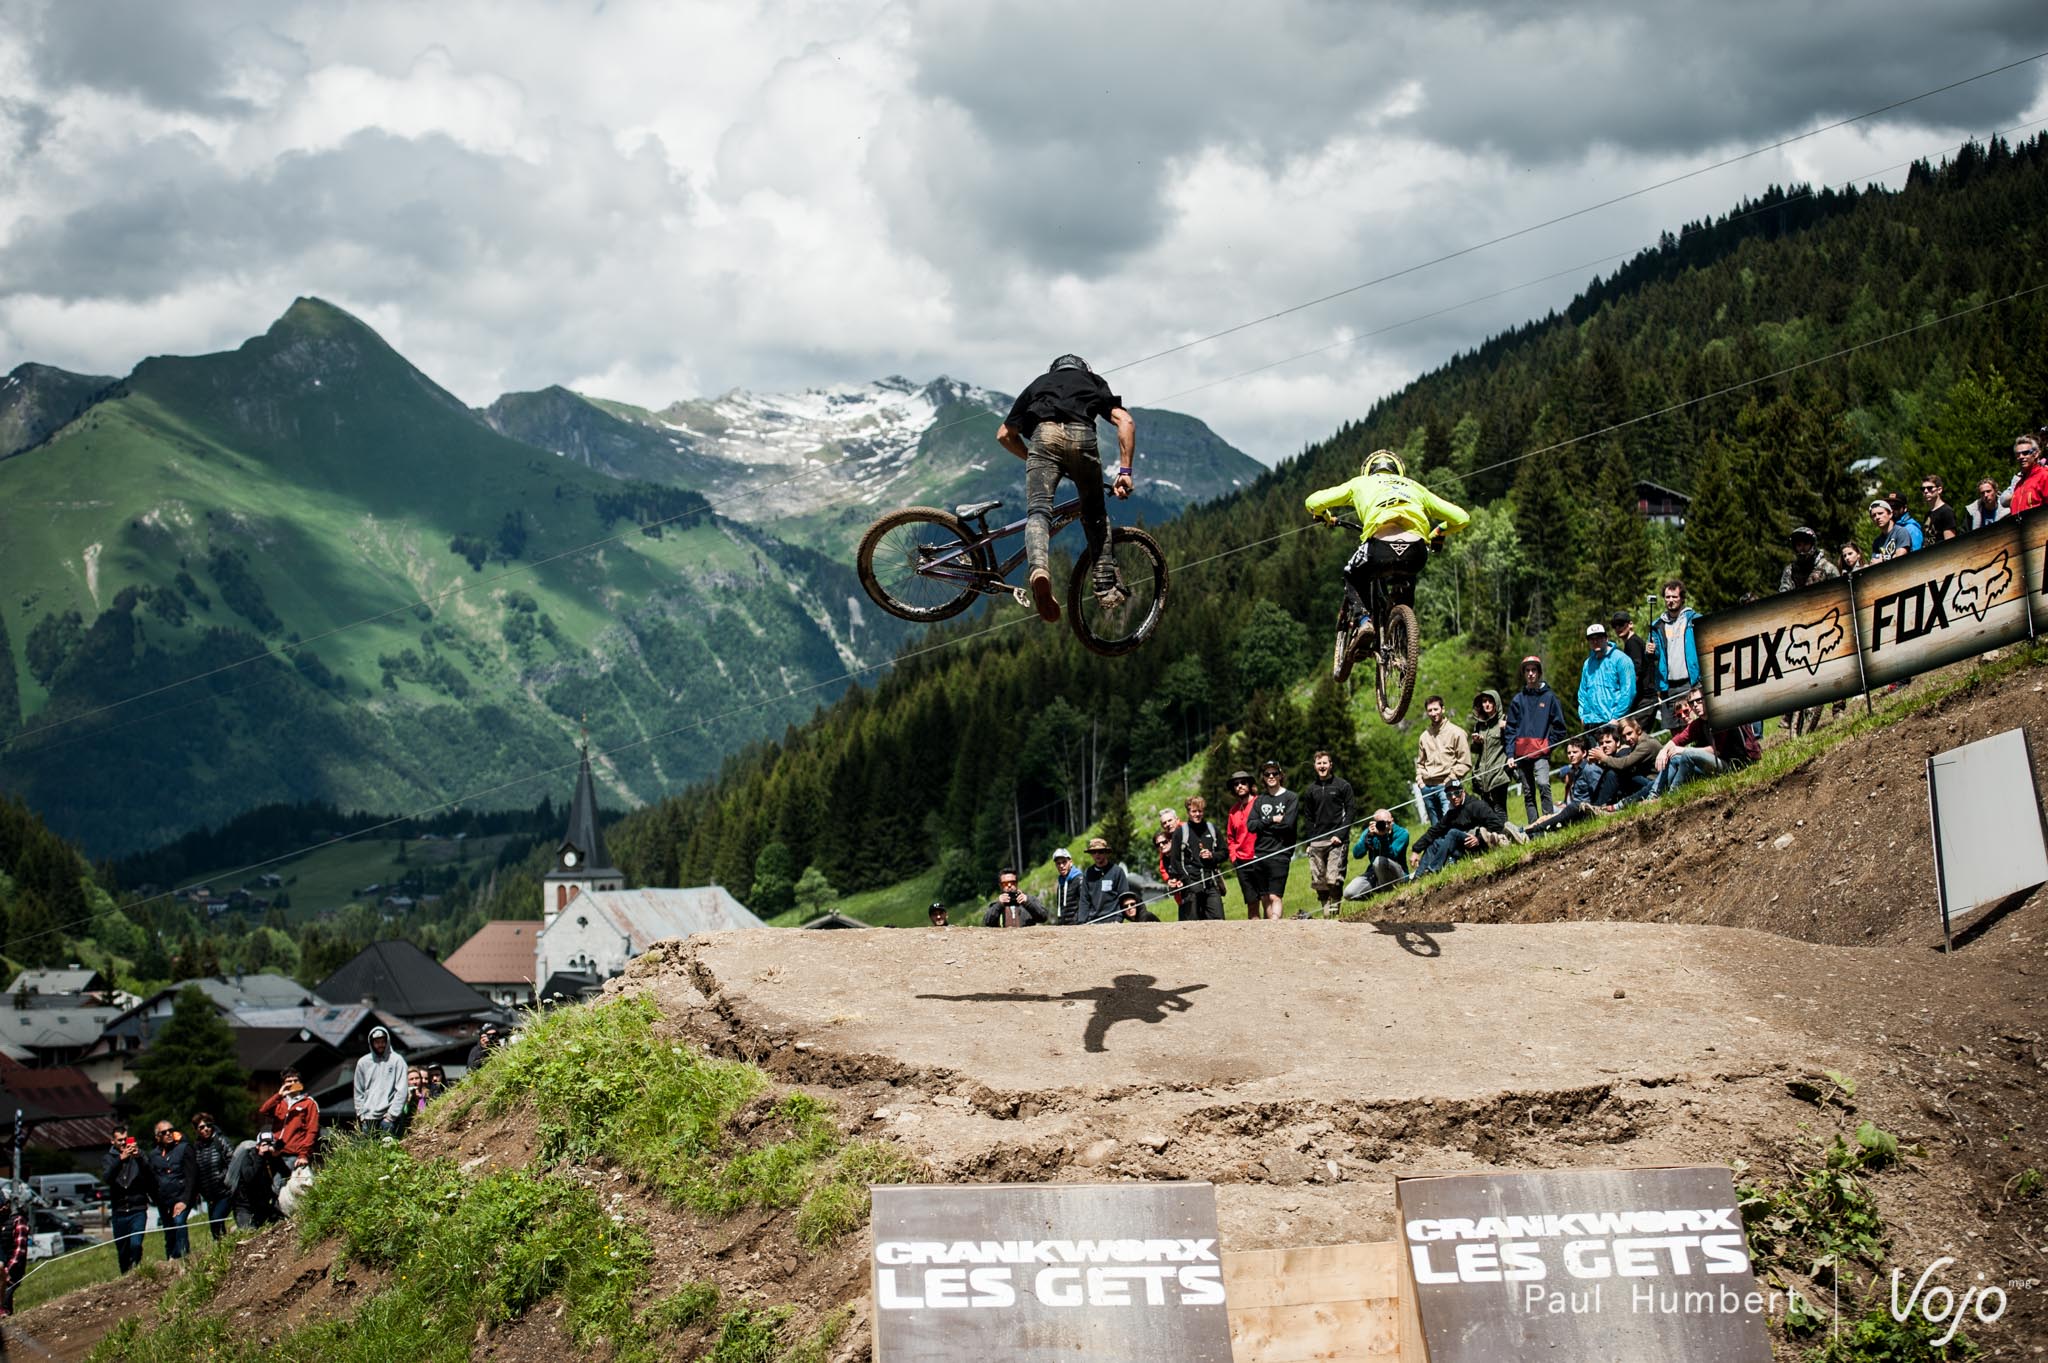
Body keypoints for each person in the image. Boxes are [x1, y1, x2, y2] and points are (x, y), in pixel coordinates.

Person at [995, 355, 1137, 622]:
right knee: (1094, 512)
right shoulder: (1092, 381)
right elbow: (1125, 422)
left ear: (1053, 370)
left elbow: (1004, 434)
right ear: (1084, 369)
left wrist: (1035, 459)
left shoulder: (1039, 384)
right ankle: (1106, 585)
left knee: (1039, 512)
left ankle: (1039, 571)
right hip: (1082, 436)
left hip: (1043, 436)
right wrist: (1125, 472)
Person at [1304, 449, 1468, 647]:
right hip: (1416, 551)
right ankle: (1403, 638)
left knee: (1352, 574)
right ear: (1398, 470)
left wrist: (1326, 516)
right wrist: (1437, 533)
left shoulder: (1360, 483)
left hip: (1379, 547)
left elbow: (1313, 502)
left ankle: (1364, 622)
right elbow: (1462, 518)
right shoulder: (1415, 487)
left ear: (1368, 469)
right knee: (1407, 576)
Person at [1503, 657, 1569, 824]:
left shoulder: (1549, 697)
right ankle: (1534, 827)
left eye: (1534, 670)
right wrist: (1510, 754)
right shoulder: (1518, 699)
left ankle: (1549, 823)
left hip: (1541, 753)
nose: (1531, 674)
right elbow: (1510, 729)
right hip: (1521, 754)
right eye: (1527, 670)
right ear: (1524, 674)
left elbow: (1560, 728)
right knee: (1528, 792)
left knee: (1543, 784)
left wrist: (1547, 745)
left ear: (1539, 672)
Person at [1412, 780, 1509, 877]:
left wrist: (1479, 839)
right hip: (1463, 849)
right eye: (1449, 795)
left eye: (1456, 793)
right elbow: (1434, 831)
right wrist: (1416, 850)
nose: (1453, 797)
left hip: (1480, 845)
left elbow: (1497, 824)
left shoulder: (1477, 805)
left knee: (1453, 833)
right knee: (1435, 843)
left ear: (1463, 792)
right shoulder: (1451, 814)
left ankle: (1432, 871)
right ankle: (1417, 877)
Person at [1300, 751, 1356, 916]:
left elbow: (1351, 811)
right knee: (1319, 881)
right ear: (1315, 766)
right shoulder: (1311, 790)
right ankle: (1326, 912)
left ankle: (1335, 908)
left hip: (1336, 841)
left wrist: (1340, 834)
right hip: (1317, 841)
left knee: (1333, 879)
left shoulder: (1342, 786)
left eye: (1325, 763)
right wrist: (1310, 841)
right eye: (1319, 763)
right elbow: (1308, 817)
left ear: (1331, 765)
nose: (1322, 766)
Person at [1245, 760, 1301, 919]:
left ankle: (1275, 926)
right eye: (1267, 774)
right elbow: (1250, 825)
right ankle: (1271, 930)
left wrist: (1263, 826)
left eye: (1274, 773)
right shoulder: (1259, 800)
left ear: (1280, 775)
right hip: (1260, 853)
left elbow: (1288, 825)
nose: (1271, 776)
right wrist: (1271, 820)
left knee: (1275, 896)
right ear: (1263, 777)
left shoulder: (1291, 797)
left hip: (1280, 852)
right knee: (1264, 897)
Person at [1643, 580, 1701, 729]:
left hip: (1691, 682)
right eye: (1667, 597)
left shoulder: (1694, 619)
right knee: (1673, 726)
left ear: (1682, 598)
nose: (1670, 601)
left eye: (1674, 597)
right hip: (1667, 686)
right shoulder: (1657, 626)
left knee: (1696, 723)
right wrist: (1649, 650)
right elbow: (1653, 656)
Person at [101, 1123, 155, 1273]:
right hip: (119, 1211)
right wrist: (120, 1159)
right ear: (113, 1141)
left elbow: (150, 1174)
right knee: (123, 1250)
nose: (124, 1143)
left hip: (137, 1208)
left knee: (136, 1244)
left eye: (126, 1139)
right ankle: (125, 1274)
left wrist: (138, 1157)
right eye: (120, 1140)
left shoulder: (140, 1155)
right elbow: (107, 1177)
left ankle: (137, 1268)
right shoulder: (108, 1159)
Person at [1524, 739, 1603, 836]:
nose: (1571, 755)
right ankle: (1524, 831)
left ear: (1584, 753)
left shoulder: (1589, 769)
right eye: (1569, 753)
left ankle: (1532, 831)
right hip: (1573, 809)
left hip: (1581, 809)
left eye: (1575, 752)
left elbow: (1599, 792)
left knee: (1556, 817)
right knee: (1547, 817)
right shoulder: (1576, 771)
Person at [1413, 696, 1471, 826]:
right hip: (1427, 788)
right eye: (1430, 710)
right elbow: (1420, 763)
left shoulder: (1457, 733)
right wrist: (1420, 781)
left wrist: (1449, 780)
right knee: (1436, 828)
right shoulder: (1424, 736)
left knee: (1451, 823)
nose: (1433, 713)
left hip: (1448, 788)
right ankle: (1440, 847)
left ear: (1443, 709)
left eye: (1436, 709)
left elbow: (1465, 762)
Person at [1166, 796, 1226, 921]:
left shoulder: (1212, 829)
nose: (1197, 814)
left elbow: (1225, 852)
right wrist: (1188, 881)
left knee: (1218, 921)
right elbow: (1175, 862)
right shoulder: (1180, 833)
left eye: (1200, 811)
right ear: (1188, 813)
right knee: (1190, 924)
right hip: (1190, 886)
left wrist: (1212, 855)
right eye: (1194, 811)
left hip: (1211, 883)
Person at [146, 1119, 198, 1260]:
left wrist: (184, 1201)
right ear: (158, 1137)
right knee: (169, 1231)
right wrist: (157, 1200)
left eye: (171, 1130)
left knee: (179, 1222)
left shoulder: (184, 1148)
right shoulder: (154, 1156)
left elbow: (192, 1177)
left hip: (182, 1197)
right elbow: (151, 1181)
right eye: (164, 1132)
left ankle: (183, 1256)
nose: (168, 1134)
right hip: (164, 1201)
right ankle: (170, 1259)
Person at [1587, 715, 1658, 806]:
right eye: (1624, 736)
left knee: (1616, 772)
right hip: (1648, 782)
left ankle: (1599, 805)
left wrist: (1602, 758)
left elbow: (1623, 764)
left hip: (1654, 783)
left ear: (1637, 729)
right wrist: (1598, 760)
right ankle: (1598, 804)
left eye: (1629, 733)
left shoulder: (1646, 744)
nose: (1628, 738)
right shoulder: (1636, 744)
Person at [1466, 691, 1513, 830]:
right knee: (1487, 810)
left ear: (1496, 703)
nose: (1486, 704)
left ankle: (1504, 834)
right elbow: (1476, 751)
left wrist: (1508, 727)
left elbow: (1512, 741)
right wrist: (1476, 742)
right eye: (1484, 701)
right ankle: (1495, 837)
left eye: (1490, 701)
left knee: (1499, 808)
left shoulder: (1504, 721)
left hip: (1498, 773)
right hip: (1483, 775)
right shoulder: (1479, 725)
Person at [1577, 623, 1636, 729]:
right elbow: (1582, 692)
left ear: (1606, 638)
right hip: (1591, 722)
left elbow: (1628, 691)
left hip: (1613, 722)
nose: (1595, 642)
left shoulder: (1621, 659)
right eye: (1591, 639)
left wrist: (1617, 717)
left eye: (1599, 638)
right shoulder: (1588, 663)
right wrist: (1583, 716)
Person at [258, 1067, 320, 1167]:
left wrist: (303, 1154)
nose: (292, 1083)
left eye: (295, 1081)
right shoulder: (279, 1102)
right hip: (274, 1151)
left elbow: (312, 1130)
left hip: (293, 1155)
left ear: (300, 1083)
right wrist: (279, 1095)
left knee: (282, 1182)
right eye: (289, 1081)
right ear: (283, 1084)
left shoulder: (309, 1103)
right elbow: (264, 1110)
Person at [189, 1111, 235, 1242]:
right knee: (216, 1231)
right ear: (196, 1130)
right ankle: (223, 1252)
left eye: (208, 1125)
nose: (206, 1129)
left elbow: (232, 1162)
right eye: (201, 1127)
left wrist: (223, 1177)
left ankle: (227, 1245)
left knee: (217, 1219)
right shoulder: (196, 1147)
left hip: (225, 1192)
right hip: (209, 1196)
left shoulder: (221, 1141)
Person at [355, 1026, 408, 1136]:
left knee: (388, 1150)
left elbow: (402, 1090)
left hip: (387, 1118)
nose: (380, 1045)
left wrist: (391, 1116)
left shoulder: (397, 1060)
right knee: (368, 1152)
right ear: (371, 1043)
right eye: (377, 1042)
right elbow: (358, 1091)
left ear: (387, 1041)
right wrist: (361, 1115)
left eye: (383, 1041)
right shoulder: (363, 1062)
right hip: (368, 1118)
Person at [1223, 770, 1260, 918]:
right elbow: (1230, 838)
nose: (1239, 786)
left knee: (1266, 898)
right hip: (1242, 862)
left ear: (1250, 785)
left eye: (1243, 783)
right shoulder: (1233, 811)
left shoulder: (1259, 803)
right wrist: (1234, 857)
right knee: (1251, 902)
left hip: (1259, 857)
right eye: (1236, 784)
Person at [226, 1135, 279, 1231]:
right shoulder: (248, 1157)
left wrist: (276, 1156)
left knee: (278, 1223)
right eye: (264, 1144)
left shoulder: (270, 1159)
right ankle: (237, 1229)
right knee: (250, 1231)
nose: (267, 1147)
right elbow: (249, 1178)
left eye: (269, 1144)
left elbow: (286, 1173)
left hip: (261, 1204)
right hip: (244, 1206)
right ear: (257, 1146)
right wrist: (260, 1157)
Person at [1350, 809, 1410, 889]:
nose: (1386, 826)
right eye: (1382, 823)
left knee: (1379, 861)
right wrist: (1368, 838)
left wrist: (1383, 837)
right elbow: (1356, 854)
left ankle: (1385, 890)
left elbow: (1391, 856)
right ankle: (1378, 887)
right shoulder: (1370, 832)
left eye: (1388, 823)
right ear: (1375, 823)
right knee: (1350, 892)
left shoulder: (1402, 833)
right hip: (1374, 872)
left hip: (1397, 872)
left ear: (1392, 820)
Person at [1609, 612, 1653, 715]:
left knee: (1634, 730)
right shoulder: (1632, 642)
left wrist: (1625, 691)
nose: (1618, 628)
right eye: (1614, 626)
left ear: (1630, 624)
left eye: (1621, 624)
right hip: (1644, 697)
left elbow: (1636, 669)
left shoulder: (1632, 643)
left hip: (1644, 697)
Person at [1077, 836, 1128, 925]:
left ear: (1106, 852)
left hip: (1113, 922)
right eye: (1093, 852)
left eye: (1100, 851)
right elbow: (1084, 900)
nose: (1097, 854)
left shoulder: (1117, 871)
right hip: (1093, 922)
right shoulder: (1088, 873)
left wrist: (1119, 919)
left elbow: (1124, 897)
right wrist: (1082, 922)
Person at [1, 1186, 30, 1319]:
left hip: (12, 1272)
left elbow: (20, 1250)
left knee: (4, 1303)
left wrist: (8, 1271)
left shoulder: (18, 1221)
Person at [982, 868, 1048, 927]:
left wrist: (1027, 903)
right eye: (1005, 883)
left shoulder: (1028, 900)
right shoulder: (996, 904)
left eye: (1012, 882)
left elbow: (1043, 917)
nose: (1009, 885)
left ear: (1017, 883)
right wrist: (999, 905)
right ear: (1000, 886)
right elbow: (987, 922)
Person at [2012, 433, 2048, 515]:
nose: (2021, 457)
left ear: (2035, 454)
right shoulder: (2018, 484)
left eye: (2025, 453)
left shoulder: (2044, 476)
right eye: (2018, 454)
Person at [1049, 848, 1083, 925]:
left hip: (1078, 926)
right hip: (1064, 928)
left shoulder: (1080, 880)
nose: (1061, 866)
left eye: (1064, 862)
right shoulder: (1061, 884)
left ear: (1070, 862)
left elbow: (1085, 904)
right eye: (1058, 863)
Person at [1920, 475, 1958, 542]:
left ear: (1939, 490)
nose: (1925, 491)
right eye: (1923, 489)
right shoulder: (1928, 514)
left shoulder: (1946, 512)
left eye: (1929, 488)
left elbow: (1950, 543)